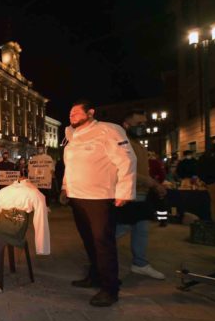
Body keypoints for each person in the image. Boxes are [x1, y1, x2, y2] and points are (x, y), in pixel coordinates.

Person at [60, 100, 136, 307]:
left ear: (90, 112)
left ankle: (110, 288)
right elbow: (70, 166)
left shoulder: (109, 130)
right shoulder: (71, 135)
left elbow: (127, 160)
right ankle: (95, 276)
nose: (72, 116)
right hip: (78, 197)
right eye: (70, 114)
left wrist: (124, 192)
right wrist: (65, 188)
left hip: (100, 198)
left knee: (103, 243)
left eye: (76, 113)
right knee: (88, 240)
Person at [117, 110, 166, 280]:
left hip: (141, 192)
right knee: (122, 227)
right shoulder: (122, 143)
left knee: (141, 230)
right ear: (126, 125)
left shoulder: (138, 144)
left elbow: (141, 170)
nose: (143, 127)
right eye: (139, 124)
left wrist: (153, 184)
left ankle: (140, 263)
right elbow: (123, 170)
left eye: (145, 124)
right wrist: (152, 183)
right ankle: (99, 255)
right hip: (129, 193)